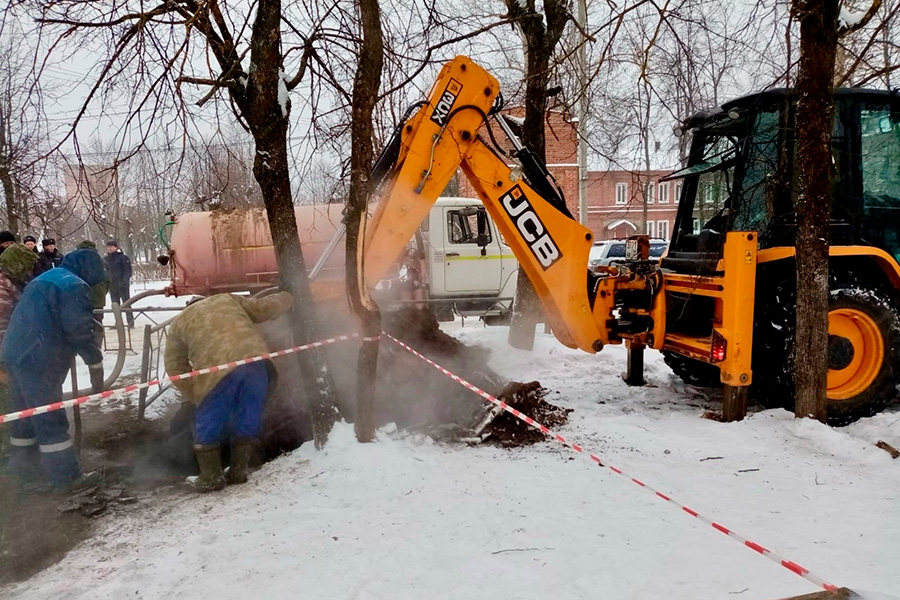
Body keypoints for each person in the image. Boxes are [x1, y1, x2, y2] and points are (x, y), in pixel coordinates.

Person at [164, 291, 293, 492]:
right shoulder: (227, 299)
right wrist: (287, 296)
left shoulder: (179, 323)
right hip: (257, 363)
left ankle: (211, 478)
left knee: (209, 420)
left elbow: (175, 368)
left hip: (217, 372)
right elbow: (262, 309)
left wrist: (197, 391)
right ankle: (238, 471)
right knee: (248, 413)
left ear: (188, 306)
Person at [0, 249, 107, 491]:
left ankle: (24, 470)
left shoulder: (46, 277)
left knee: (23, 414)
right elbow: (78, 329)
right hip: (38, 357)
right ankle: (66, 477)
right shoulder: (74, 286)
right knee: (50, 416)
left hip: (15, 353)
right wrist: (95, 361)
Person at [0, 245, 39, 461]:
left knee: (16, 407)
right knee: (7, 408)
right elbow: (3, 327)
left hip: (10, 354)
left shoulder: (8, 284)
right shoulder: (2, 289)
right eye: (27, 267)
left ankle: (21, 458)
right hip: (5, 356)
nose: (29, 272)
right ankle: (9, 459)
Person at [104, 240, 134, 327]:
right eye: (108, 246)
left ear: (116, 247)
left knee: (127, 303)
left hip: (123, 285)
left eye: (111, 246)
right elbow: (105, 272)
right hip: (112, 286)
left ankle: (130, 322)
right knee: (115, 305)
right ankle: (118, 323)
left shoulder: (123, 258)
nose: (109, 248)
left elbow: (128, 271)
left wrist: (124, 282)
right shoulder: (105, 259)